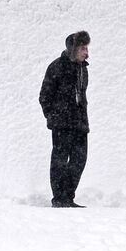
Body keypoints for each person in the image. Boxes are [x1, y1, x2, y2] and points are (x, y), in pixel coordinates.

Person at [39, 30, 91, 208]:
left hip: (80, 124)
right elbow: (45, 95)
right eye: (83, 48)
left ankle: (68, 197)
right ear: (73, 49)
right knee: (60, 161)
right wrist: (52, 116)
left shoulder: (83, 69)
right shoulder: (57, 67)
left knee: (79, 160)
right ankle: (59, 199)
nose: (87, 52)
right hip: (61, 124)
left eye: (86, 48)